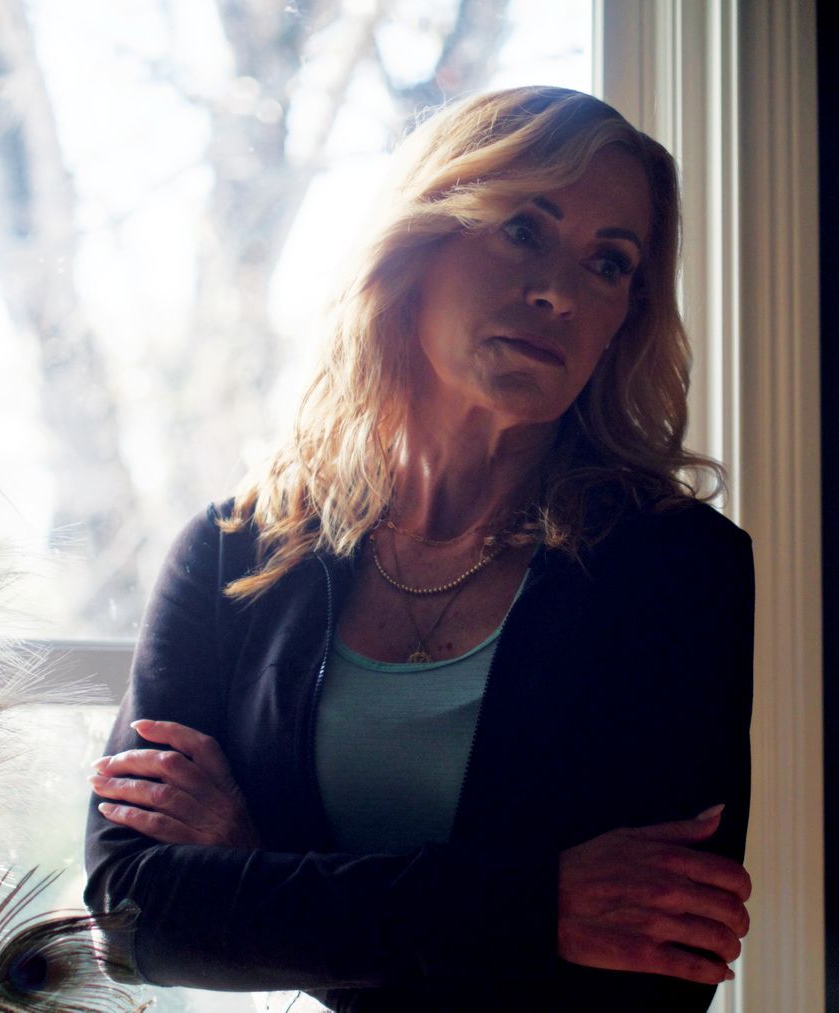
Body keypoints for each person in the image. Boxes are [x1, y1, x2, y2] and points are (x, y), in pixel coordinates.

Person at [83, 86, 754, 1012]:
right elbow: (133, 914)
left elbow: (649, 977)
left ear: (624, 317)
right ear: (417, 242)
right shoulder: (235, 552)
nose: (559, 290)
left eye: (609, 263)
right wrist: (536, 904)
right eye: (523, 229)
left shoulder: (676, 573)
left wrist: (263, 866)